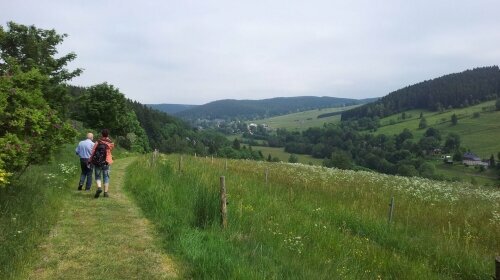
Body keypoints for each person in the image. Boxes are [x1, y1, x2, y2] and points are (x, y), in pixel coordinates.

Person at [89, 129, 114, 198]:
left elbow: (93, 151)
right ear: (108, 135)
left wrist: (90, 160)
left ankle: (99, 188)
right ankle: (105, 193)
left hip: (98, 162)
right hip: (106, 162)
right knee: (106, 177)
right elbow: (110, 150)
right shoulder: (111, 143)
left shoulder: (98, 142)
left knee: (98, 176)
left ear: (101, 134)